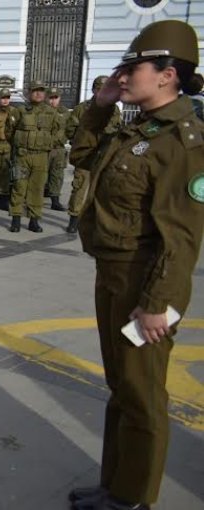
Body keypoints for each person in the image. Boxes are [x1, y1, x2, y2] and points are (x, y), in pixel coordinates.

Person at [68, 19, 204, 510]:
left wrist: (156, 305)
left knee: (143, 396)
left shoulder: (182, 143)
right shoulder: (136, 129)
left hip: (144, 282)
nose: (123, 76)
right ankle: (114, 486)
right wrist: (100, 107)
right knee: (122, 386)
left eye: (133, 67)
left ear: (168, 74)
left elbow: (182, 237)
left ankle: (133, 500)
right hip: (113, 272)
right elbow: (82, 156)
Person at [63, 76, 122, 234]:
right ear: (94, 90)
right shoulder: (82, 108)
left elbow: (116, 129)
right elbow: (70, 128)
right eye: (99, 89)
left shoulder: (114, 109)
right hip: (86, 154)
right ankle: (74, 218)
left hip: (105, 155)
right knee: (80, 186)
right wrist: (82, 140)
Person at [8, 81, 63, 233]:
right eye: (35, 91)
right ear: (29, 93)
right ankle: (16, 219)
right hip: (22, 156)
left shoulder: (51, 112)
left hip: (41, 157)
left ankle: (34, 220)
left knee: (37, 189)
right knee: (19, 187)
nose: (38, 94)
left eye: (41, 91)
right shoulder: (20, 111)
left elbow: (59, 132)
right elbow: (9, 131)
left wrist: (49, 143)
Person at [44, 86, 70, 211]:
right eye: (50, 98)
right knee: (41, 174)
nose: (53, 101)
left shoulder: (65, 112)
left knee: (57, 174)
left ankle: (55, 201)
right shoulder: (42, 111)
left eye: (55, 98)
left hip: (59, 148)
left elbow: (71, 128)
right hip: (44, 148)